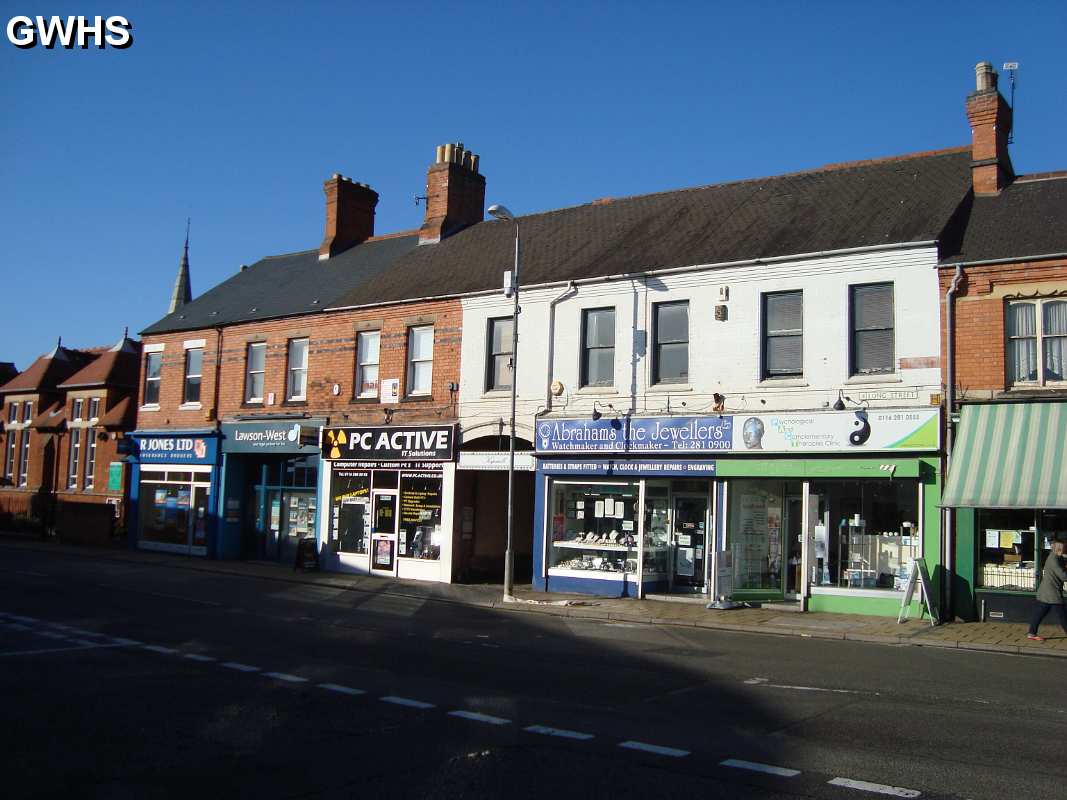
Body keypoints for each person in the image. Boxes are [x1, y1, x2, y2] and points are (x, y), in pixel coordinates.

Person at [1027, 539, 1067, 642]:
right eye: (1064, 547)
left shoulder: (1055, 556)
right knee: (1063, 615)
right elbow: (1063, 576)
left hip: (1046, 592)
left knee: (1039, 614)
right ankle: (1031, 633)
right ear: (1059, 549)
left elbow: (1063, 560)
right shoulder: (1054, 560)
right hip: (1052, 593)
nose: (1065, 549)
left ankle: (1031, 633)